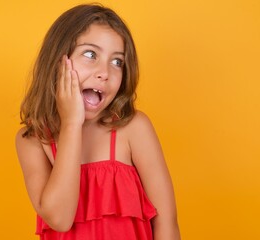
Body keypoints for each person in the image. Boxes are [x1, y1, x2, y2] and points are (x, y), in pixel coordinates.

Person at [16, 3, 180, 240]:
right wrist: (71, 123)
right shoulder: (33, 141)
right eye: (91, 54)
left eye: (117, 62)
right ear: (57, 61)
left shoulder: (134, 128)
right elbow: (59, 219)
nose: (105, 72)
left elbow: (167, 225)